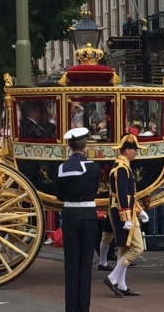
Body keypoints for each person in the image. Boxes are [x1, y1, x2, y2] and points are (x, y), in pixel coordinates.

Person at [56, 127, 100, 312]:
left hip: (70, 215)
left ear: (69, 146)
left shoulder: (61, 168)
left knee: (71, 264)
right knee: (85, 264)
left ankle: (71, 308)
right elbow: (95, 190)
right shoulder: (93, 167)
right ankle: (84, 308)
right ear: (85, 147)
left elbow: (58, 195)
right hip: (89, 215)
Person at [103, 134, 149, 298]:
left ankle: (121, 285)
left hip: (126, 212)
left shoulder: (122, 166)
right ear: (128, 150)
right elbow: (122, 196)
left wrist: (138, 210)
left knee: (124, 248)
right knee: (137, 248)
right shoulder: (121, 168)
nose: (136, 153)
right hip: (123, 214)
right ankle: (112, 277)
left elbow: (129, 195)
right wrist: (127, 218)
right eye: (135, 150)